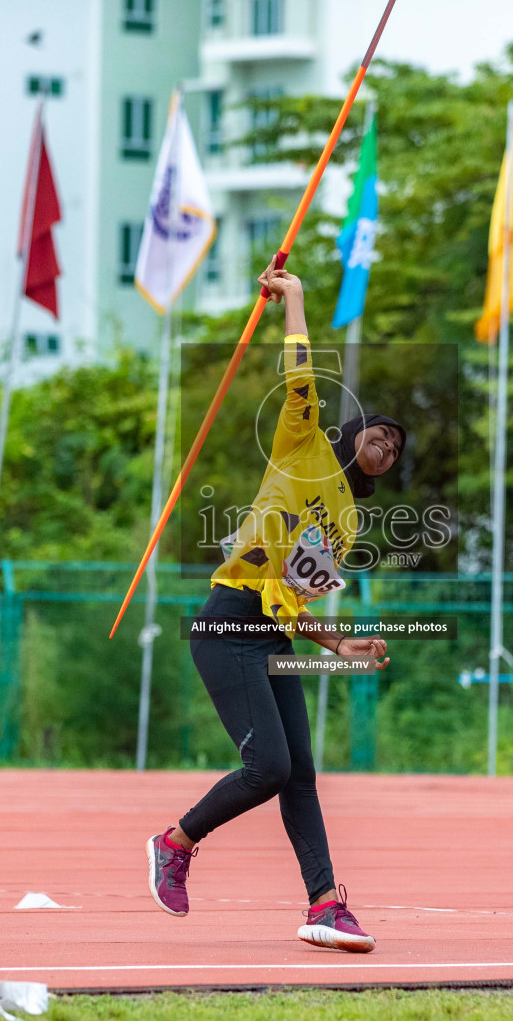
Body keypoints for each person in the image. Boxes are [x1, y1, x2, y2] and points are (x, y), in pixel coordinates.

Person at [146, 258, 407, 953]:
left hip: (270, 635)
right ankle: (175, 842)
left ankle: (325, 902)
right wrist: (292, 297)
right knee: (269, 767)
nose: (385, 445)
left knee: (301, 772)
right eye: (379, 432)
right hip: (226, 623)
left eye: (395, 448)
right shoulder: (303, 442)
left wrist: (339, 645)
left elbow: (289, 595)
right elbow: (300, 372)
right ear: (353, 432)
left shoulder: (348, 523)